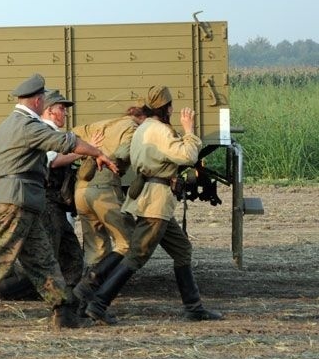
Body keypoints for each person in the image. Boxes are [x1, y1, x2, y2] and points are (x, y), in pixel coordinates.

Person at [0, 74, 117, 331]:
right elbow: (64, 142)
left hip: (19, 201)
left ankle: (63, 311)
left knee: (43, 260)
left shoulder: (5, 126)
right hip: (19, 201)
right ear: (37, 100)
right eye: (44, 99)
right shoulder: (28, 126)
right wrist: (97, 151)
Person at [84, 86, 223, 324]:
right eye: (171, 106)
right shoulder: (159, 130)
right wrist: (189, 131)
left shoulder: (143, 127)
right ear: (167, 108)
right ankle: (98, 304)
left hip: (153, 200)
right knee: (136, 256)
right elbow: (188, 156)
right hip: (155, 202)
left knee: (182, 250)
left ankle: (194, 307)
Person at [70, 104, 146, 321]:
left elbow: (72, 135)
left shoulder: (102, 125)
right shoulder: (132, 128)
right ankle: (88, 291)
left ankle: (81, 306)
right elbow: (123, 153)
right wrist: (113, 160)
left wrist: (91, 151)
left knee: (96, 249)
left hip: (81, 191)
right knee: (128, 244)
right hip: (103, 190)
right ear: (140, 117)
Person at [38, 89, 85, 289]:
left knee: (72, 252)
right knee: (53, 252)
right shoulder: (45, 133)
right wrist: (80, 152)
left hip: (56, 203)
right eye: (61, 108)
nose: (65, 113)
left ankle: (69, 295)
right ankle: (54, 297)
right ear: (49, 110)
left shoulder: (54, 134)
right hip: (48, 201)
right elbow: (53, 161)